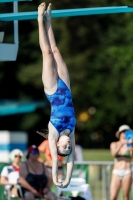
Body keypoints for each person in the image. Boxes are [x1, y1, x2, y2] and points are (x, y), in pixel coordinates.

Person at [37, 2, 76, 188]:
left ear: (58, 144)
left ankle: (39, 19)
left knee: (47, 54)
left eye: (64, 147)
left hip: (53, 90)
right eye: (69, 147)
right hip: (66, 88)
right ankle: (49, 19)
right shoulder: (72, 132)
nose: (68, 145)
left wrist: (58, 179)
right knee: (56, 50)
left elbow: (55, 161)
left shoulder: (54, 134)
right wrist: (68, 179)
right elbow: (70, 160)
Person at [110, 124, 133, 200]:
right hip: (116, 172)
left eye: (126, 132)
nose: (124, 134)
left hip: (127, 172)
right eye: (123, 132)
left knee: (126, 196)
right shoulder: (114, 144)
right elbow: (114, 153)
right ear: (119, 133)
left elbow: (132, 156)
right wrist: (121, 144)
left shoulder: (130, 146)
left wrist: (131, 146)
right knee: (113, 196)